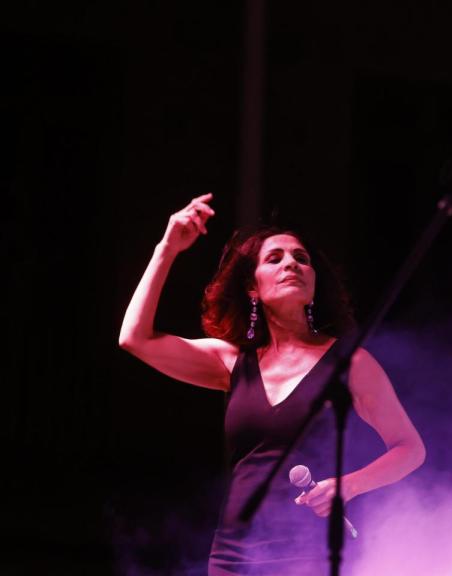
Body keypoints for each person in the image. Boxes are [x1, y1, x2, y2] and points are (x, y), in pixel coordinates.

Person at [118, 193, 426, 575]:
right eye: (274, 258)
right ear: (252, 287)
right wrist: (167, 249)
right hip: (233, 555)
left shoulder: (351, 364)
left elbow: (410, 448)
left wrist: (350, 484)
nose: (291, 264)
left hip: (308, 554)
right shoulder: (231, 361)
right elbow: (133, 338)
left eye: (301, 258)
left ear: (313, 284)